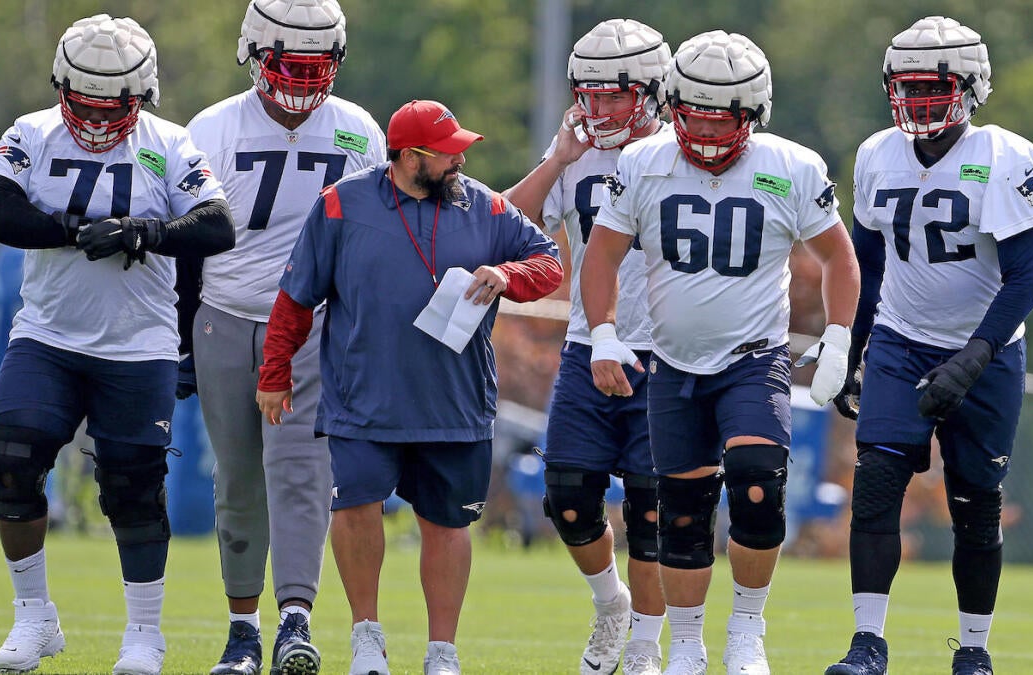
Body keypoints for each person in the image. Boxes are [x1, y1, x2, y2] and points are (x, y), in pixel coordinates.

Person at [581, 31, 860, 675]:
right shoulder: (643, 162)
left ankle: (746, 630)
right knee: (681, 517)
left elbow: (837, 257)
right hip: (671, 360)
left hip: (753, 358)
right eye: (695, 112)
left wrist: (842, 336)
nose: (705, 130)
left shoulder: (791, 166)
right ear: (672, 102)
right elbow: (600, 256)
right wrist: (602, 333)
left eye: (721, 115)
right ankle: (685, 645)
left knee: (759, 486)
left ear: (753, 113)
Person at [256, 99, 563, 675]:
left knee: (447, 525)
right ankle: (366, 638)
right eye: (448, 153)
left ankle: (441, 652)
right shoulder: (341, 204)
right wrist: (275, 374)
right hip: (362, 399)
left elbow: (548, 262)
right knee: (356, 508)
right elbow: (295, 298)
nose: (459, 161)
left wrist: (508, 274)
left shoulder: (487, 205)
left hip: (455, 402)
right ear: (409, 156)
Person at [0, 14, 234, 675]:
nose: (92, 121)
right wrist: (74, 231)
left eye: (107, 107)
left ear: (140, 93)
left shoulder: (170, 144)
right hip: (49, 334)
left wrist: (144, 231)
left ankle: (143, 633)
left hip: (138, 343)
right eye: (81, 105)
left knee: (133, 486)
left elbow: (217, 224)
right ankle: (34, 615)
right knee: (9, 459)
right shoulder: (30, 131)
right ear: (63, 87)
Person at [823, 16, 1033, 675]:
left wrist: (974, 357)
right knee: (874, 483)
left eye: (934, 86)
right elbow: (866, 268)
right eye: (907, 86)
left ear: (971, 86)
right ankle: (867, 644)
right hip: (901, 342)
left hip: (989, 349)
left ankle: (975, 649)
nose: (919, 101)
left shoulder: (1010, 158)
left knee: (975, 501)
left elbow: (1024, 279)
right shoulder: (876, 154)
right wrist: (851, 348)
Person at [184, 2, 386, 673]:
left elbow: (373, 243)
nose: (300, 83)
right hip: (227, 316)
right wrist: (180, 336)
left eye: (314, 66)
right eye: (287, 65)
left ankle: (293, 621)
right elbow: (185, 244)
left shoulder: (358, 131)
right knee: (238, 481)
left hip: (313, 326)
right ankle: (242, 631)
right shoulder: (212, 128)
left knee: (302, 473)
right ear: (254, 52)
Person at [501, 18, 671, 675]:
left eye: (613, 96)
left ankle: (649, 649)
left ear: (652, 92)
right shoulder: (574, 150)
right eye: (588, 94)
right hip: (585, 344)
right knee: (567, 495)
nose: (597, 110)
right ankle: (611, 604)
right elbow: (505, 225)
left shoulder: (683, 152)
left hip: (666, 353)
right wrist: (558, 161)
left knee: (653, 507)